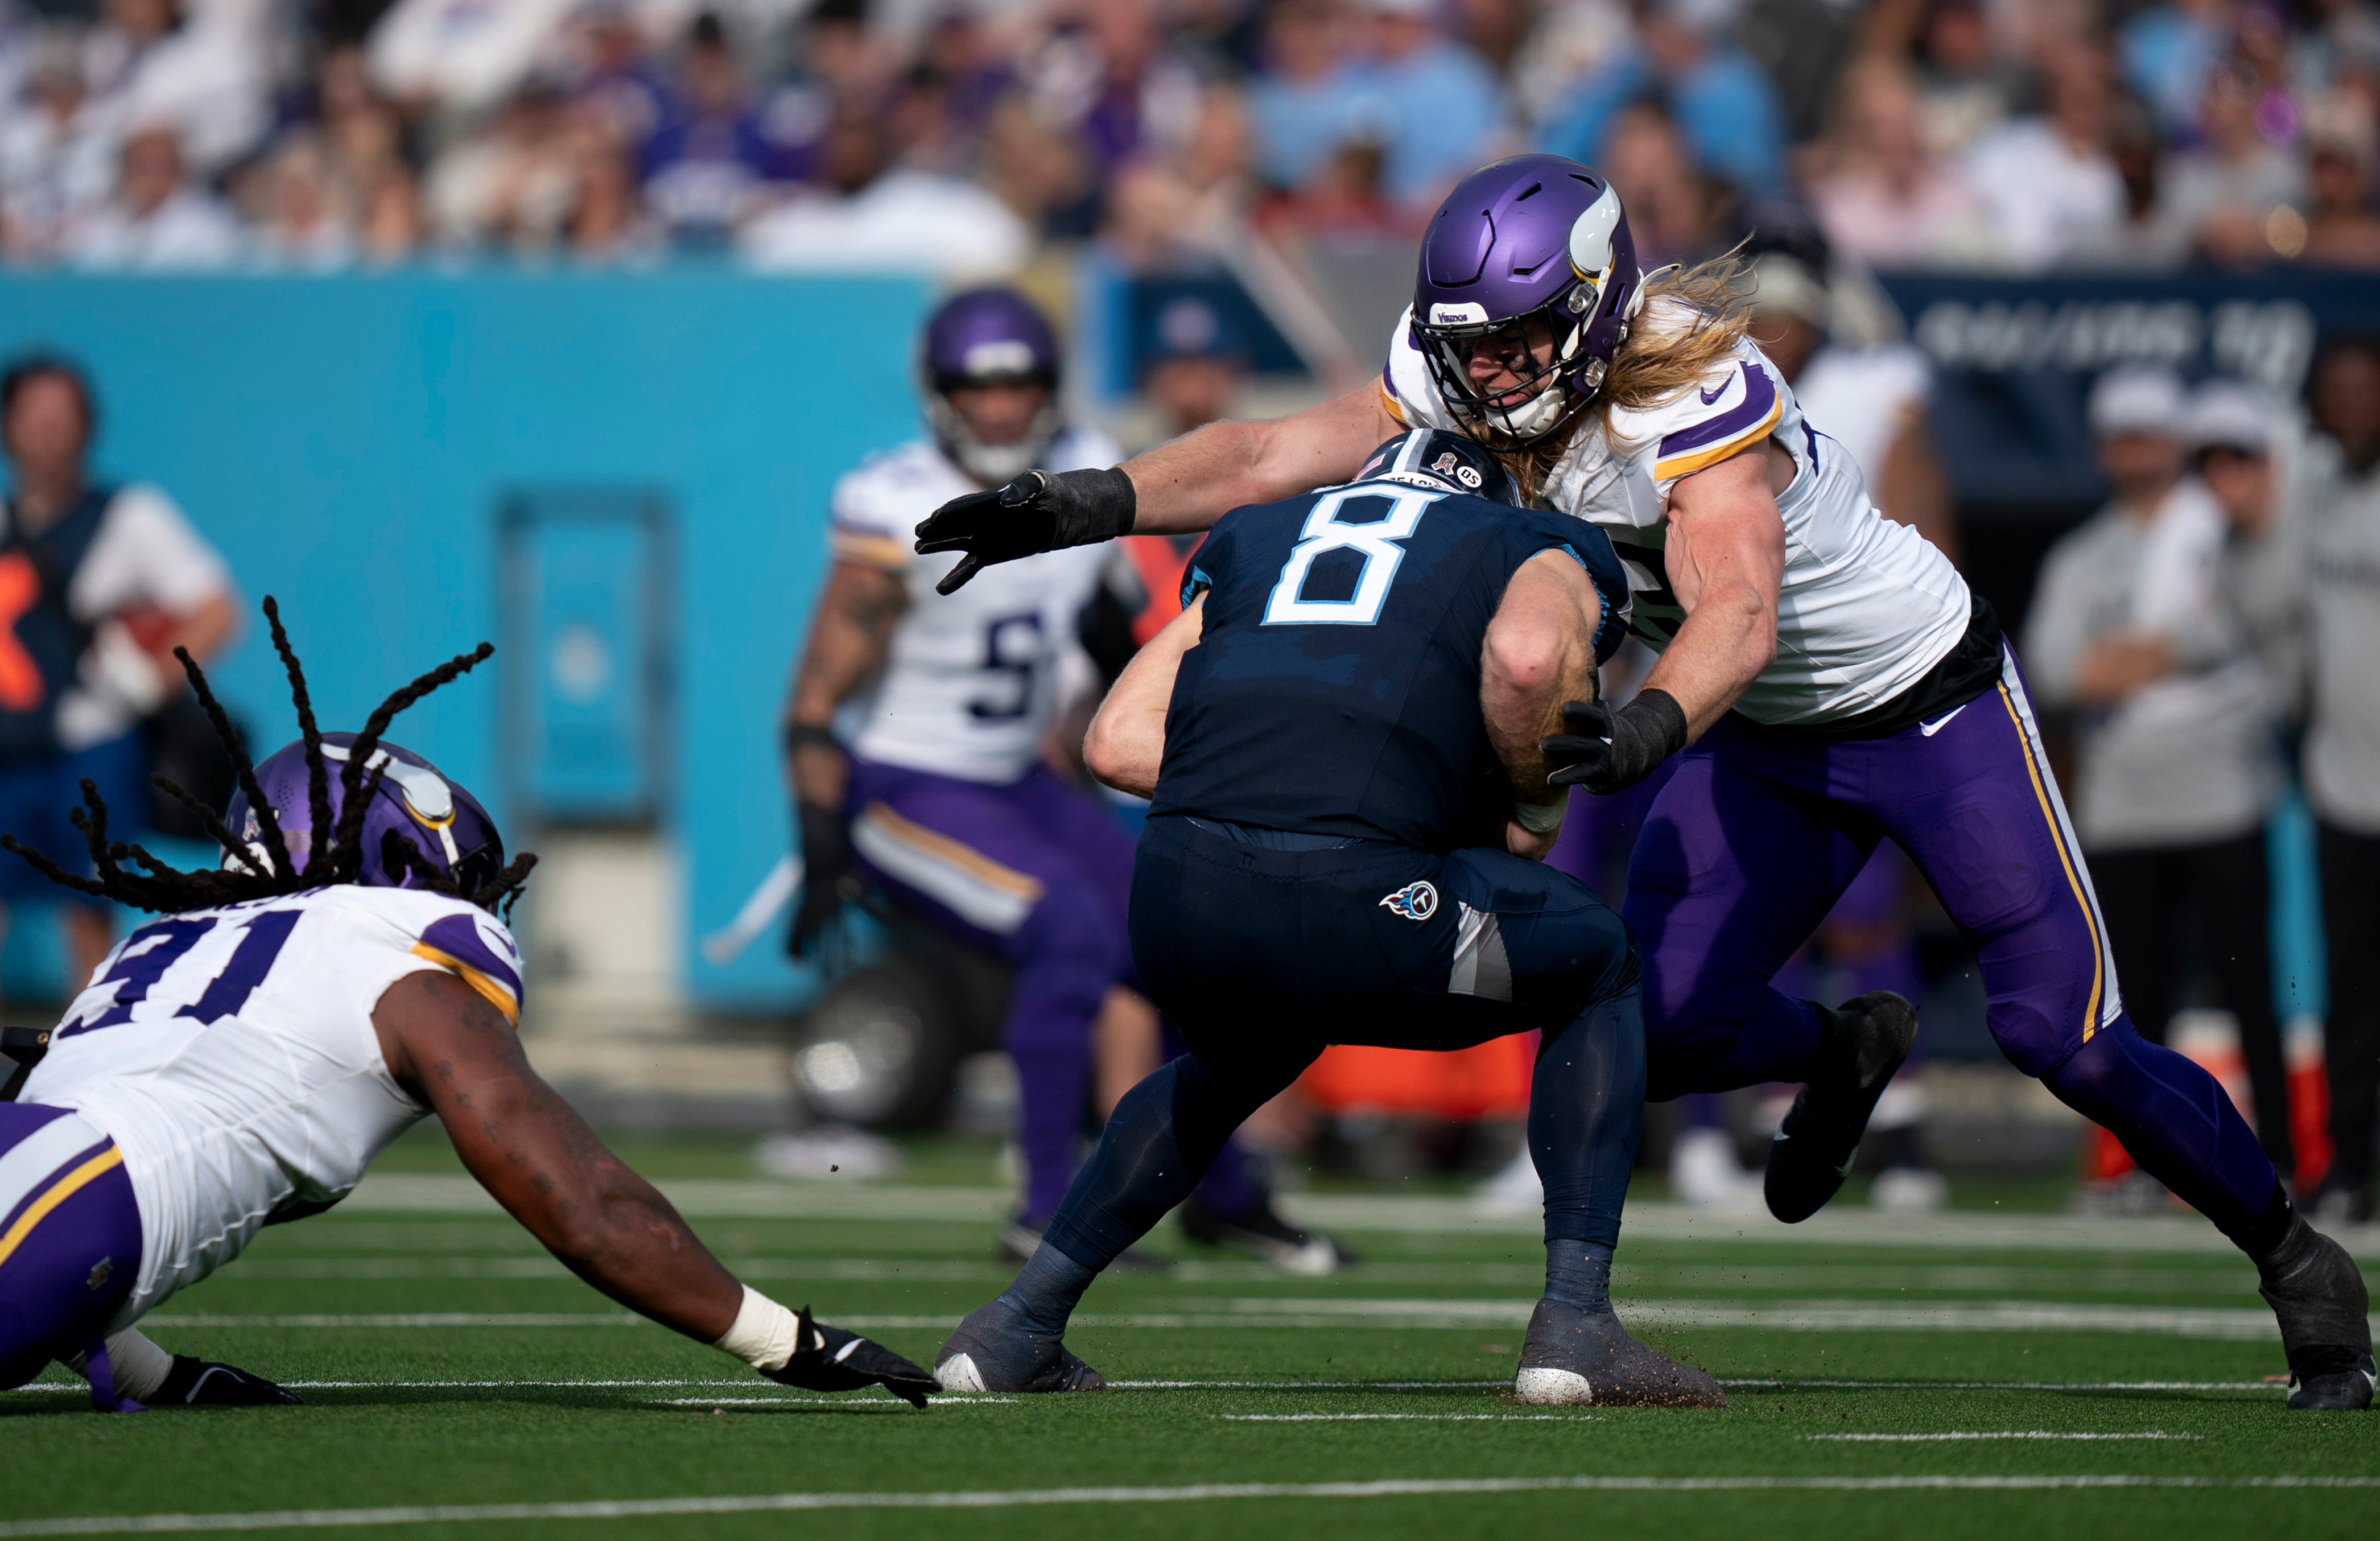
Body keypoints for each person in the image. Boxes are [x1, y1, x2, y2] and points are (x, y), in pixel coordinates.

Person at [914, 153, 2376, 1410]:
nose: (1487, 375)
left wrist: (1644, 729)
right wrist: (1077, 503)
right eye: (1466, 347)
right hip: (1754, 734)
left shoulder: (1689, 382)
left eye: (1518, 341)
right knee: (1643, 1028)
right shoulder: (1465, 363)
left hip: (1918, 703)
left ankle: (2296, 1264)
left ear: (1599, 309)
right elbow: (1267, 451)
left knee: (2061, 1038)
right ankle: (1841, 1046)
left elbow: (1737, 609)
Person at [935, 428, 1722, 1407]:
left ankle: (1017, 1324)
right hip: (1369, 906)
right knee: (1598, 961)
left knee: (1235, 1059)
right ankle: (1575, 1322)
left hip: (1182, 901)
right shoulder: (1519, 539)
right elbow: (1524, 665)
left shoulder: (1258, 537)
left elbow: (1115, 740)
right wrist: (1517, 815)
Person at [0, 603, 934, 1412]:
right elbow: (581, 1197)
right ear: (404, 853)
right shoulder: (391, 942)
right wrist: (784, 1338)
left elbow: (122, 1168)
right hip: (71, 1191)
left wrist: (155, 1371)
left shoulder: (152, 948)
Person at [782, 287, 1333, 1272]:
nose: (999, 409)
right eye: (977, 388)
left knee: (1185, 936)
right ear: (941, 394)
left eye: (1018, 385)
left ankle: (1224, 1191)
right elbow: (819, 695)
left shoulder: (1071, 473)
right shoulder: (892, 500)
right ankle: (1043, 1207)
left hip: (1018, 783)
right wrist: (820, 821)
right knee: (1070, 931)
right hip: (910, 786)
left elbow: (1112, 625)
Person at [2024, 367, 2295, 1201]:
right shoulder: (2081, 553)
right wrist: (2165, 651)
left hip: (2222, 792)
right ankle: (2140, 1169)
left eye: (2148, 432)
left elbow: (2236, 626)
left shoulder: (2220, 530)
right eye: (2120, 433)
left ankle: (2282, 1159)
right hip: (2125, 805)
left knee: (2250, 987)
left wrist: (2131, 658)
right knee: (2133, 1000)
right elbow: (2054, 667)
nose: (2133, 449)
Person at [0, 356, 238, 1006]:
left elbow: (217, 608)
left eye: (63, 418)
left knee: (89, 904)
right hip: (8, 746)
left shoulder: (128, 515)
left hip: (89, 746)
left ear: (88, 428)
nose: (48, 432)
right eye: (33, 417)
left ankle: (90, 1060)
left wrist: (150, 679)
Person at [2303, 336, 2380, 1224]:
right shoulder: (2309, 493)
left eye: (2365, 391)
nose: (2352, 406)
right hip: (2338, 780)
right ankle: (2348, 1164)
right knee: (2349, 996)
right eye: (2337, 392)